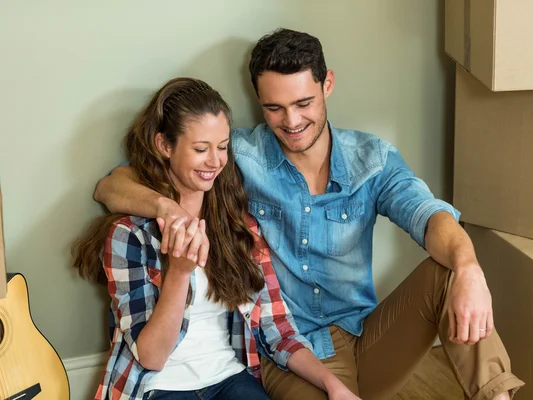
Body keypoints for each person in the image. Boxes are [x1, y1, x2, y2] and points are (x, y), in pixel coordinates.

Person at [94, 29, 525, 400]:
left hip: (365, 335)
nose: (292, 121)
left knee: (450, 272)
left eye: (303, 102)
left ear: (327, 85)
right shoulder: (233, 154)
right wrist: (168, 210)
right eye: (274, 108)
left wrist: (470, 268)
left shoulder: (371, 159)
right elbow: (112, 185)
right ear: (259, 102)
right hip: (290, 349)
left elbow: (430, 216)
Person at [72, 77, 361, 400]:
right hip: (160, 387)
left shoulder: (240, 229)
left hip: (229, 378)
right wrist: (180, 272)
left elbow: (277, 331)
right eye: (200, 149)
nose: (215, 161)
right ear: (165, 146)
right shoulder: (130, 235)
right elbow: (151, 357)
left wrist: (333, 384)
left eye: (222, 147)